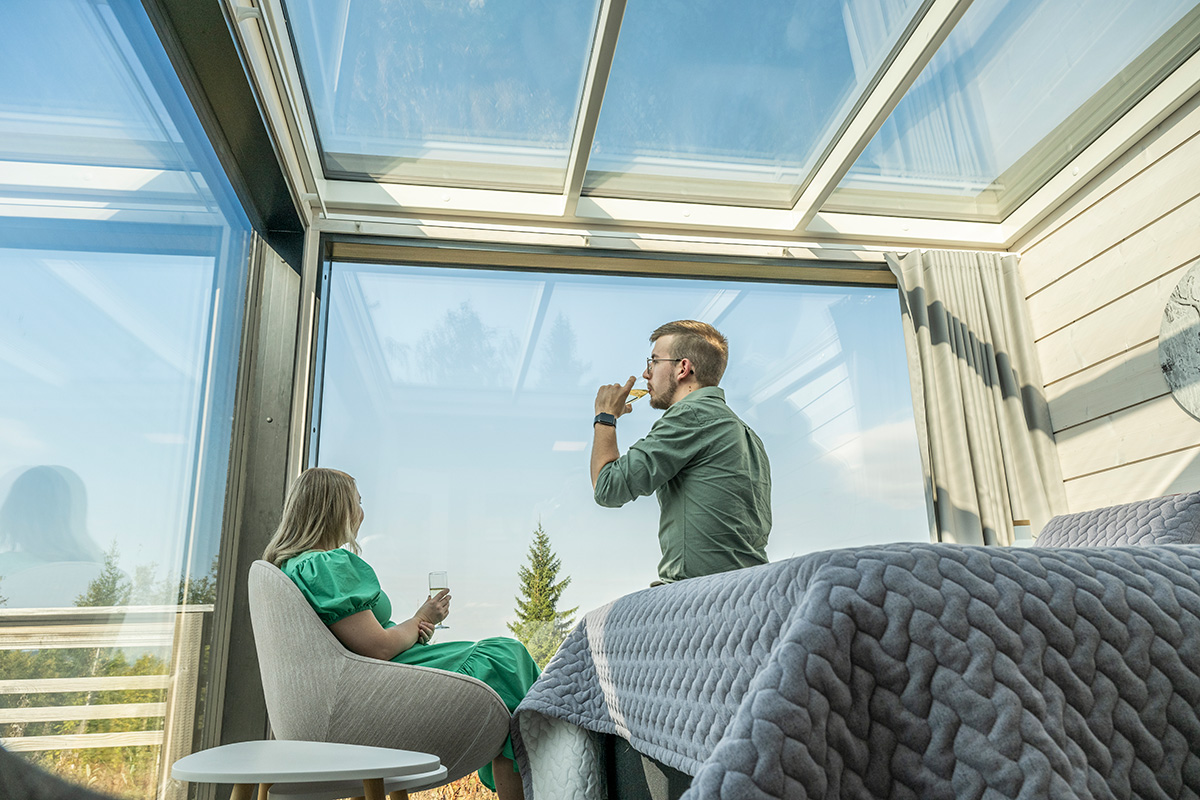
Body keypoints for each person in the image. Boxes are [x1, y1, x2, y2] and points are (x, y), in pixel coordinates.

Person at [262, 468, 538, 800]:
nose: (361, 512)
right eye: (357, 502)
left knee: (505, 662)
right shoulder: (325, 565)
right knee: (506, 656)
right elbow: (377, 647)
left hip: (367, 681)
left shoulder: (294, 566)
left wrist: (416, 626)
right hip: (378, 682)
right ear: (337, 509)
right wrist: (421, 618)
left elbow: (357, 642)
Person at [591, 320, 772, 583]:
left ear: (683, 368)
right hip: (745, 588)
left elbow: (608, 487)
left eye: (654, 362)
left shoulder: (691, 415)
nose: (645, 374)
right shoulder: (746, 434)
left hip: (701, 594)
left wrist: (605, 416)